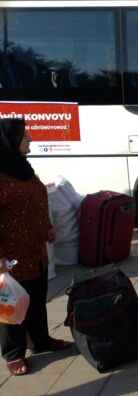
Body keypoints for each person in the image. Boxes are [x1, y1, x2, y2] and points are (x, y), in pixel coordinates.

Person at [0, 118, 72, 376]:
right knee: (12, 304)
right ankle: (13, 353)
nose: (30, 140)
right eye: (25, 137)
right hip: (12, 255)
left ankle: (41, 340)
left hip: (36, 251)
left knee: (37, 297)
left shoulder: (24, 169)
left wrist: (48, 227)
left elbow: (38, 201)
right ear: (9, 142)